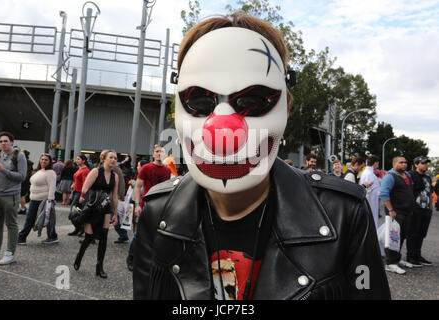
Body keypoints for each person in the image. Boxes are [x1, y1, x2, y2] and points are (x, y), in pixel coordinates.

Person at [133, 13, 390, 300]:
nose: (221, 131)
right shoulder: (158, 213)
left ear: (286, 110)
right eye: (199, 102)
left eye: (253, 101)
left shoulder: (344, 214)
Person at [73, 150, 119, 279]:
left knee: (104, 238)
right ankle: (79, 256)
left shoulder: (115, 176)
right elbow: (84, 189)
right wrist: (98, 195)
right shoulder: (95, 172)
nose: (113, 160)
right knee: (89, 237)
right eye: (111, 157)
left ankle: (100, 267)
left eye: (115, 158)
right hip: (92, 207)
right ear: (104, 159)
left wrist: (115, 213)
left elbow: (114, 196)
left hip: (105, 207)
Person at [0, 131, 27, 265]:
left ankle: (10, 253)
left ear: (11, 142)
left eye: (5, 141)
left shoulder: (19, 155)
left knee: (11, 224)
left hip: (11, 195)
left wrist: (3, 170)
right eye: (0, 141)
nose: (3, 144)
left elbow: (22, 177)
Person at [380, 156, 414, 274]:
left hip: (407, 212)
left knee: (402, 235)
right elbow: (384, 193)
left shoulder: (407, 175)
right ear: (394, 164)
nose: (404, 164)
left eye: (405, 162)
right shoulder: (390, 176)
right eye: (401, 162)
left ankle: (397, 259)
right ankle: (390, 263)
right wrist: (390, 210)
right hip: (396, 212)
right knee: (393, 237)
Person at [18, 153, 58, 245]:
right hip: (34, 199)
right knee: (46, 219)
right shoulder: (40, 171)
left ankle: (21, 237)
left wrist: (50, 200)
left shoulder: (50, 172)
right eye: (42, 159)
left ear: (49, 162)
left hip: (43, 200)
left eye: (46, 160)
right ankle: (53, 236)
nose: (43, 161)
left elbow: (52, 186)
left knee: (33, 218)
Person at [407, 156, 433, 266]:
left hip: (426, 210)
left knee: (422, 234)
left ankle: (418, 255)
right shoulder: (411, 175)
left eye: (426, 163)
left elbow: (430, 193)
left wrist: (430, 208)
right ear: (416, 165)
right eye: (423, 163)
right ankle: (411, 256)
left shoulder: (428, 178)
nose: (426, 165)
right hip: (416, 208)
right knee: (413, 233)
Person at [98, 150, 127, 244]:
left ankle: (123, 235)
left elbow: (121, 182)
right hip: (101, 197)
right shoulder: (100, 167)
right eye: (101, 155)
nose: (101, 156)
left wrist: (121, 195)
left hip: (111, 198)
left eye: (103, 155)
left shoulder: (115, 168)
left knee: (114, 217)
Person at [126, 159, 148, 271]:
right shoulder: (140, 174)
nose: (137, 167)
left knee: (139, 233)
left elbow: (142, 188)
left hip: (142, 206)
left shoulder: (145, 173)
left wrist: (133, 183)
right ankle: (132, 256)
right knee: (137, 233)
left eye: (138, 165)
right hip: (138, 205)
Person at [359, 155, 384, 256]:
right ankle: (373, 252)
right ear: (375, 163)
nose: (378, 165)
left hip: (371, 203)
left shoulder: (367, 173)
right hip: (371, 204)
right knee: (372, 227)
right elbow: (371, 191)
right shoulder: (370, 174)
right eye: (377, 163)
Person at [68, 154, 90, 236]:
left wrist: (82, 196)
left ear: (83, 160)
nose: (76, 160)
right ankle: (78, 228)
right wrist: (73, 185)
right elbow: (77, 180)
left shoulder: (85, 171)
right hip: (76, 192)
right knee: (75, 211)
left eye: (78, 159)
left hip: (80, 193)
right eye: (76, 159)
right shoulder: (79, 169)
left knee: (76, 211)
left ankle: (80, 229)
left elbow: (85, 184)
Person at [18, 149, 34, 215]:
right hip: (26, 181)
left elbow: (25, 173)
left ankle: (23, 209)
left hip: (23, 181)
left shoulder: (25, 162)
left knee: (22, 195)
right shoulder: (29, 163)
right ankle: (23, 208)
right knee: (22, 195)